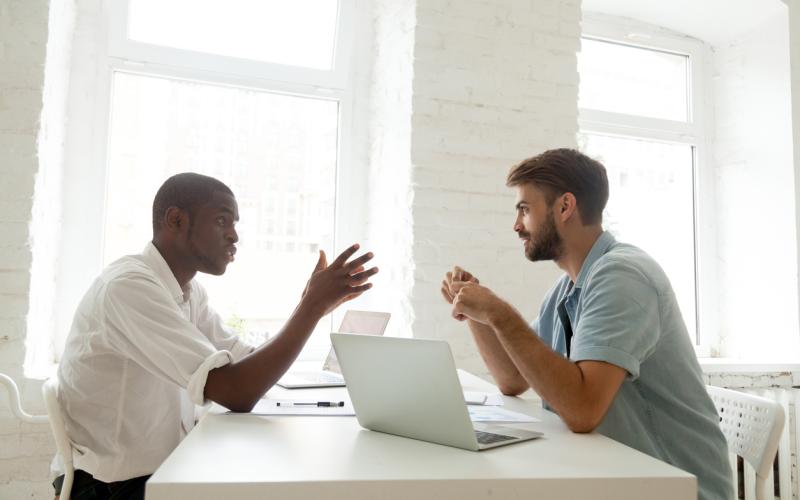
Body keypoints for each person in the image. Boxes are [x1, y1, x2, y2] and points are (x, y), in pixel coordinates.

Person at [53, 172, 378, 499]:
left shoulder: (187, 291)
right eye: (222, 220)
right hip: (111, 490)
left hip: (161, 473)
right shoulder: (129, 288)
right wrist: (311, 307)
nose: (234, 235)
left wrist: (310, 306)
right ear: (176, 220)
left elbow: (245, 361)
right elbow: (237, 391)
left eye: (235, 223)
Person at [440, 149, 731, 500]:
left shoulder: (623, 277)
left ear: (565, 207)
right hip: (616, 477)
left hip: (677, 488)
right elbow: (512, 379)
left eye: (524, 209)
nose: (517, 226)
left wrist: (498, 312)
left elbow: (582, 410)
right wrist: (478, 311)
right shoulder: (569, 287)